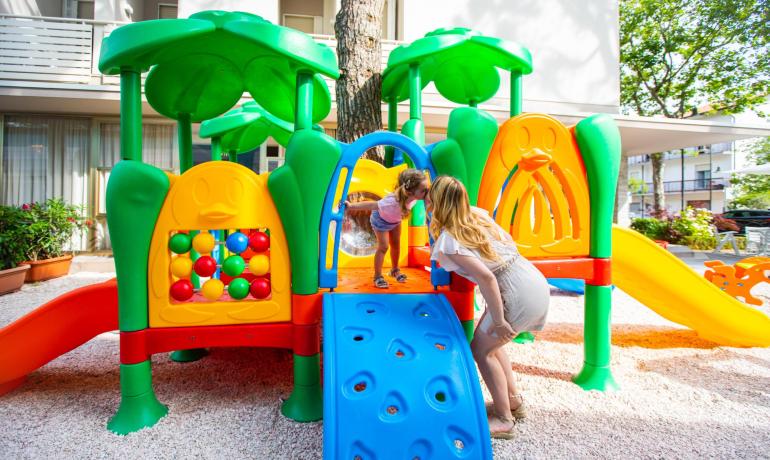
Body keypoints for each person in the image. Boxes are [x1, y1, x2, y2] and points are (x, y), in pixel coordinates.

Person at [427, 176, 550, 440]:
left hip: (515, 292)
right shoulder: (476, 216)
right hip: (531, 279)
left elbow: (487, 278)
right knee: (491, 346)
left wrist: (499, 319)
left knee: (481, 350)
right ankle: (514, 402)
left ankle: (505, 420)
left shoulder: (451, 239)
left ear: (437, 202)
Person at [344, 168, 429, 289]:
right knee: (383, 247)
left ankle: (394, 270)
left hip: (395, 220)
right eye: (424, 190)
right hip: (381, 220)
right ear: (410, 192)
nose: (428, 192)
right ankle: (377, 276)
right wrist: (351, 206)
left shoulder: (417, 196)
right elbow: (372, 205)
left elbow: (430, 200)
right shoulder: (392, 202)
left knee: (396, 244)